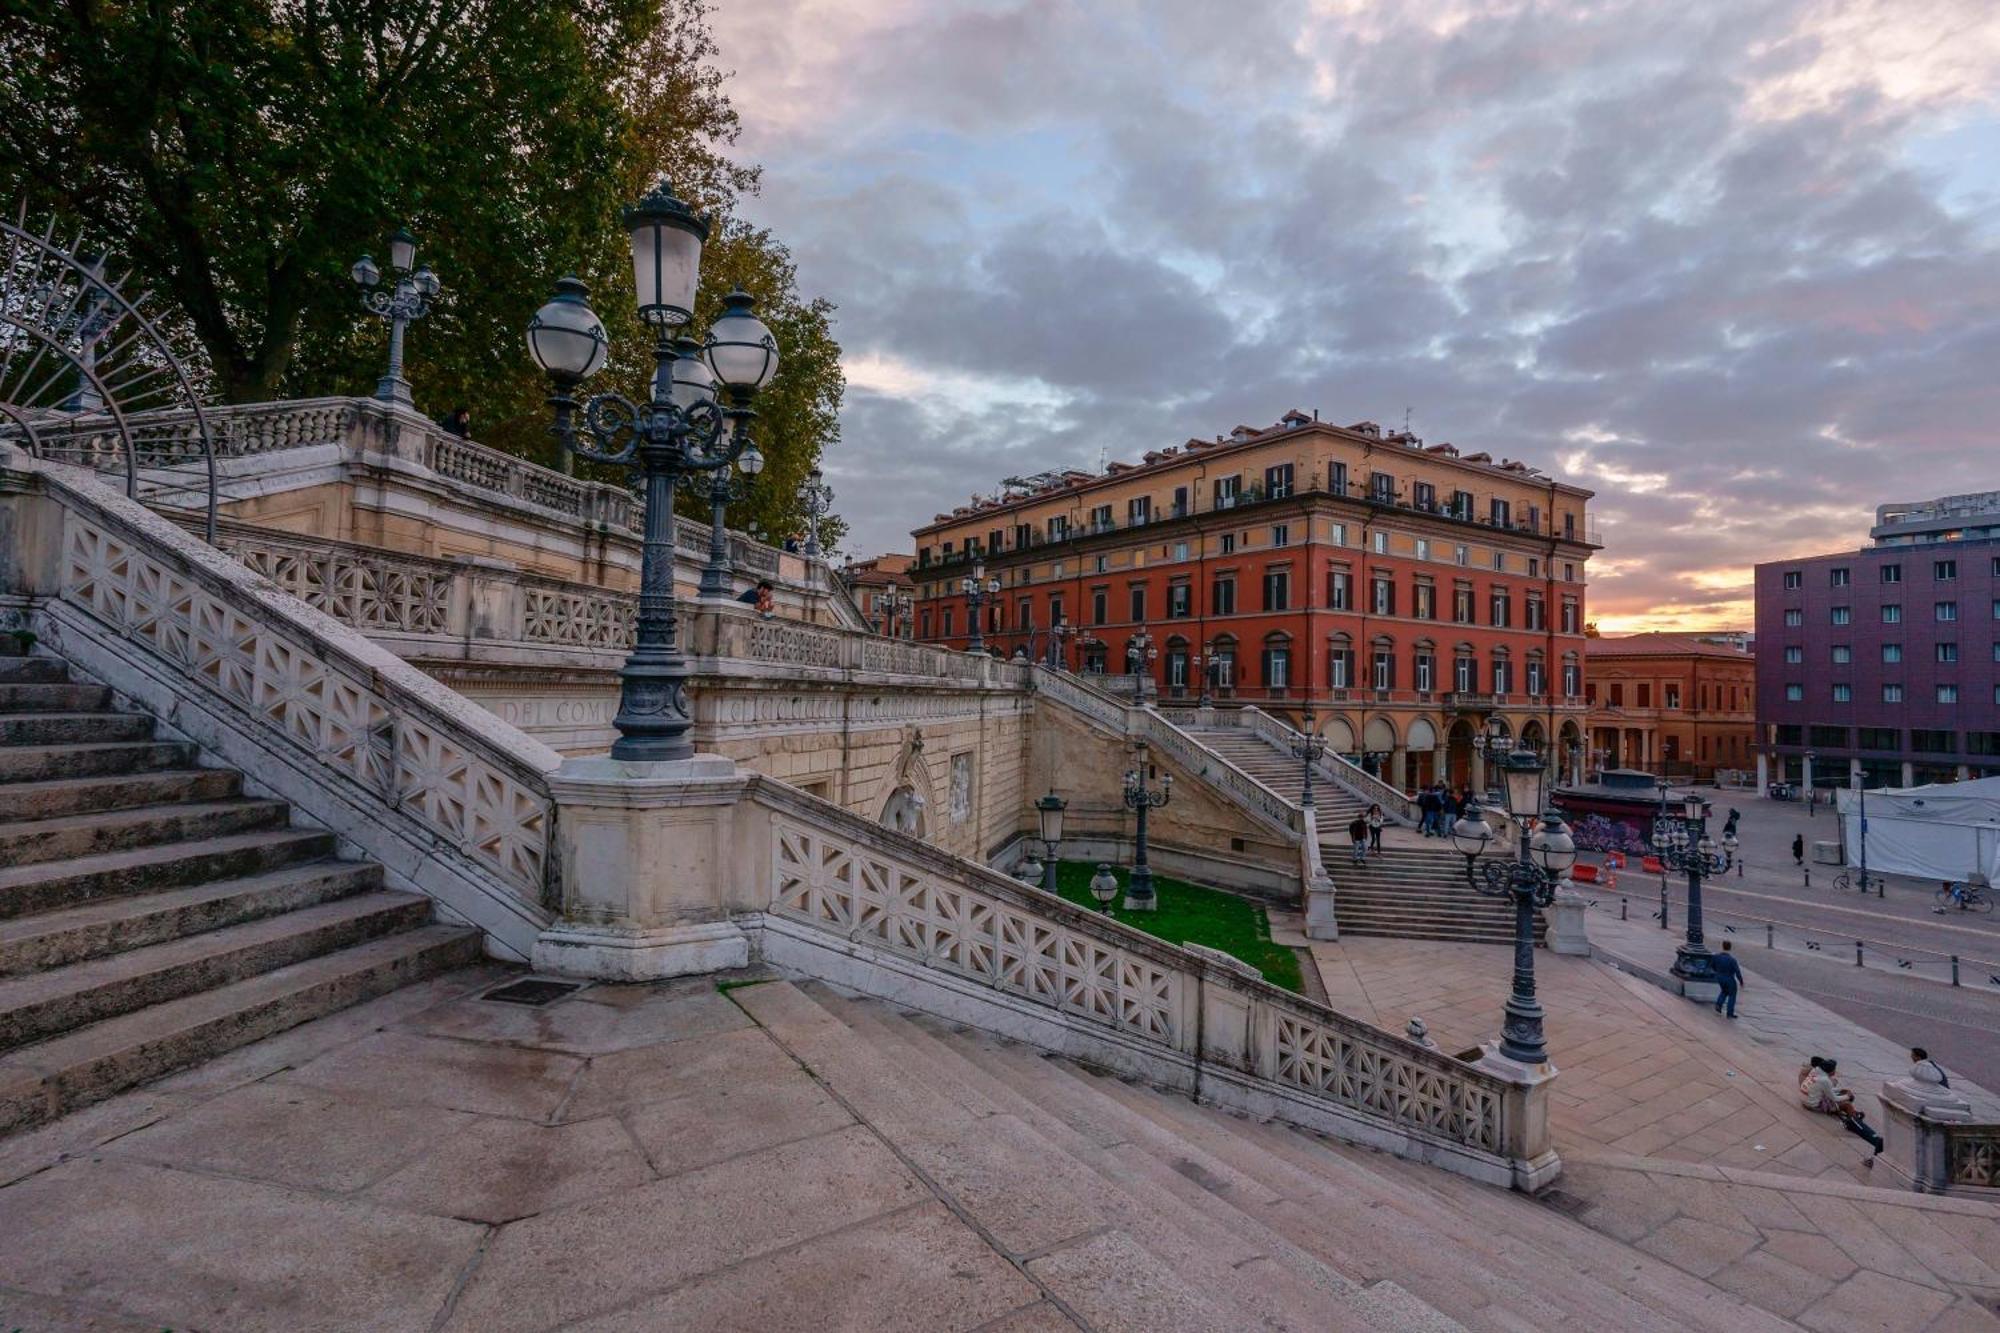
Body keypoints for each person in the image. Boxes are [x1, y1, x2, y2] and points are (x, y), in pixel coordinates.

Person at [1800, 1057, 1884, 1157]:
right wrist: (1848, 1096)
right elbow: (1834, 1098)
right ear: (1831, 1071)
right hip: (1813, 1104)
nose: (1835, 1071)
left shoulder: (1816, 1071)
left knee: (1842, 1094)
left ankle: (1853, 1114)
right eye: (1835, 1069)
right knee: (1847, 1104)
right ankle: (1854, 1122)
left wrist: (1842, 1091)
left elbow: (1826, 1090)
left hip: (1807, 1097)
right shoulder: (1825, 1080)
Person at [1709, 940, 1744, 1018]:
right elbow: (1737, 971)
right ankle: (1729, 1012)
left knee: (1724, 991)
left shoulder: (1716, 957)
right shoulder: (1732, 960)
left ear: (1722, 946)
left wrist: (1717, 971)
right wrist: (1741, 981)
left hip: (1719, 977)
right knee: (1732, 994)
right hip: (1729, 978)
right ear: (1730, 948)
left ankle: (1719, 1004)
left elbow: (1711, 965)